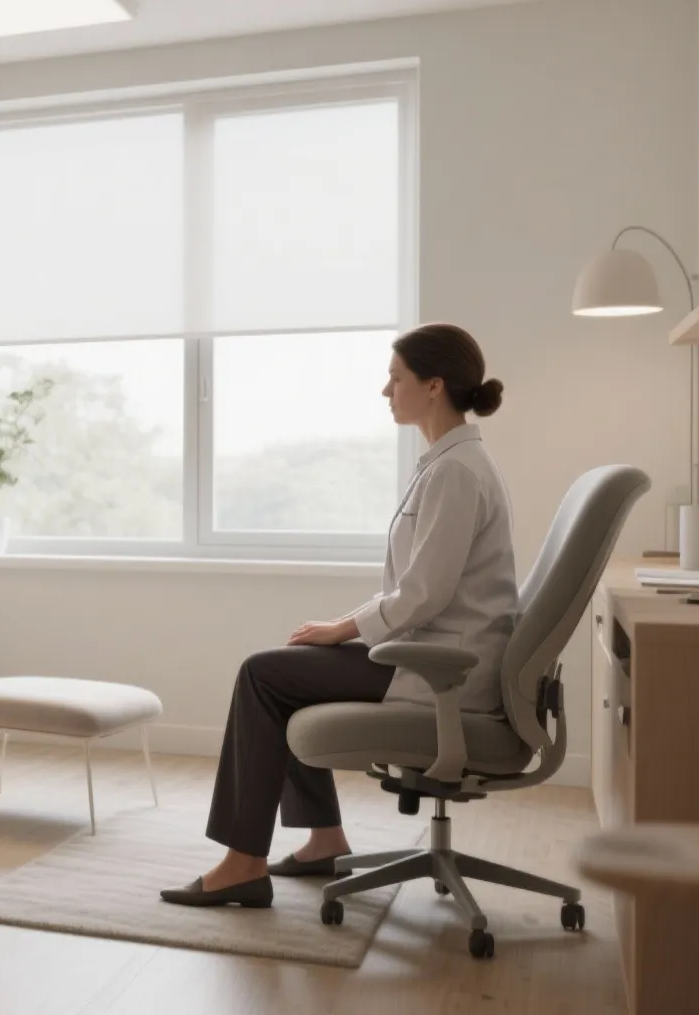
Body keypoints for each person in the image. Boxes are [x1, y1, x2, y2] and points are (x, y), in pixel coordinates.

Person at [160, 322, 516, 909]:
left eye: (395, 377)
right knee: (296, 665)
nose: (385, 390)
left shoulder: (456, 471)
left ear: (433, 385)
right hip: (432, 653)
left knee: (263, 674)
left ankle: (242, 863)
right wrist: (341, 629)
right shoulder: (448, 462)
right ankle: (324, 839)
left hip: (440, 670)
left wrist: (345, 627)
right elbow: (416, 589)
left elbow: (423, 592)